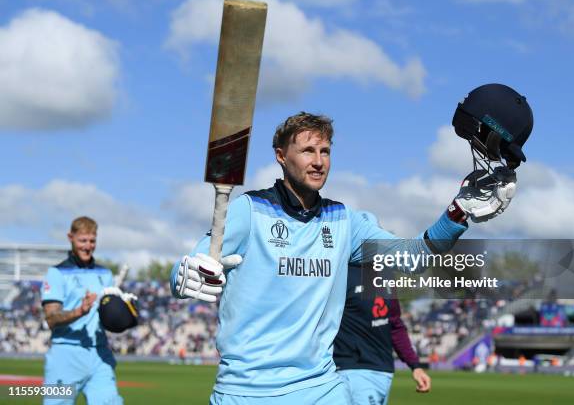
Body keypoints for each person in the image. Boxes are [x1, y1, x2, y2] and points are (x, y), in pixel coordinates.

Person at [169, 112, 516, 404]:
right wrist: (185, 277)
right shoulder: (249, 210)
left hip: (320, 387)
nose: (318, 161)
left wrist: (456, 215)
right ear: (280, 155)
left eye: (325, 151)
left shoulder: (345, 220)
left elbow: (412, 256)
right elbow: (196, 264)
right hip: (245, 390)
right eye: (307, 151)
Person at [334, 211, 431, 405]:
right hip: (351, 370)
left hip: (383, 371)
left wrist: (415, 365)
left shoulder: (386, 273)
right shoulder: (340, 272)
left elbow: (394, 324)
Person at [41, 216, 123, 405]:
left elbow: (108, 319)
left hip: (99, 354)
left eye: (92, 241)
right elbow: (51, 319)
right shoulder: (56, 274)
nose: (88, 246)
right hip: (66, 354)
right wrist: (79, 311)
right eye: (82, 241)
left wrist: (124, 315)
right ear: (71, 238)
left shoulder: (106, 274)